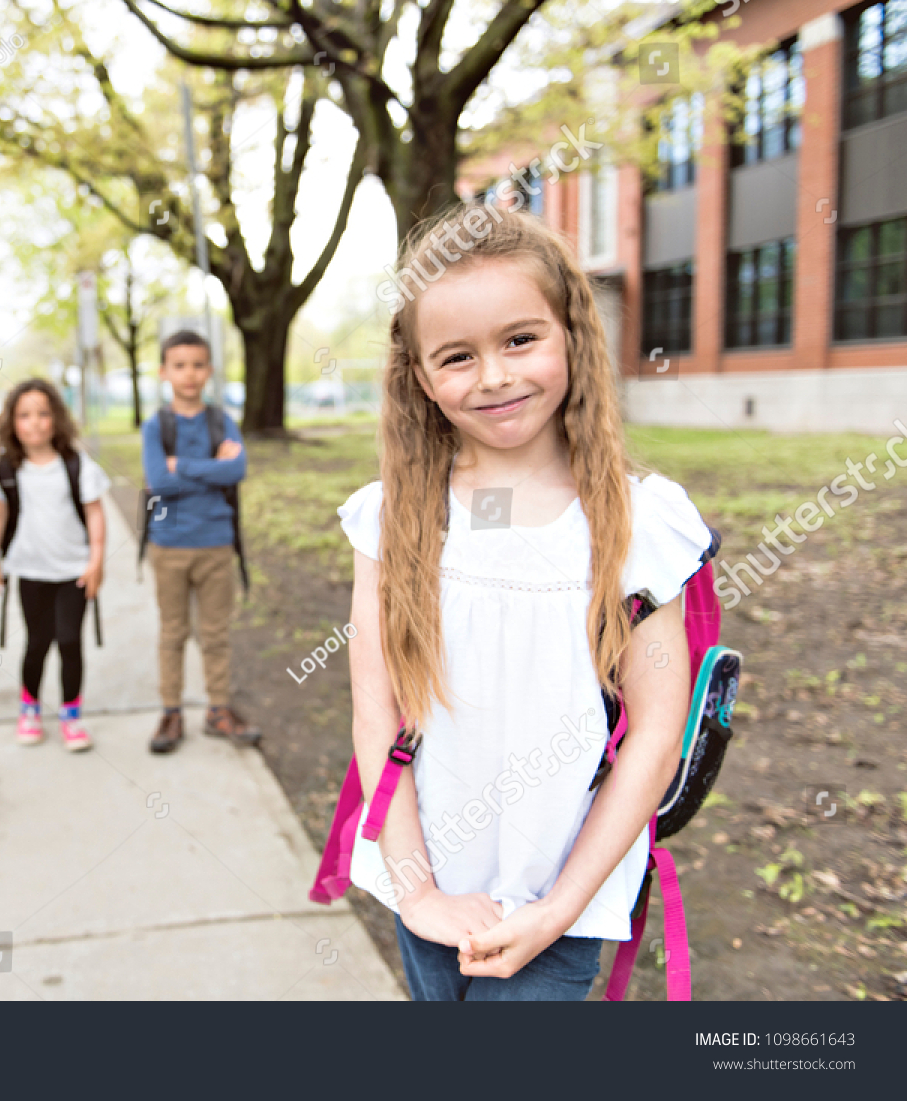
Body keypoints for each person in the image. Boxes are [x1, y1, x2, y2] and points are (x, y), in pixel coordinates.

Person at [340, 206, 709, 1000]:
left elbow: (655, 733)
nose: (495, 376)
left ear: (572, 333)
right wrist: (420, 892)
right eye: (457, 356)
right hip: (429, 891)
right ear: (419, 377)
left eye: (519, 339)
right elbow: (377, 717)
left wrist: (560, 908)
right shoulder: (389, 519)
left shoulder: (641, 523)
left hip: (564, 903)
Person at [141, 331, 259, 754]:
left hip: (216, 543)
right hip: (169, 545)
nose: (188, 374)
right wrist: (211, 467)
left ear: (208, 370)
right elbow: (159, 482)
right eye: (179, 365)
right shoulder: (157, 425)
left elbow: (237, 472)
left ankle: (218, 709)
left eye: (197, 365)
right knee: (173, 632)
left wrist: (183, 466)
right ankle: (171, 712)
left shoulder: (221, 421)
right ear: (164, 372)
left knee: (216, 633)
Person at [0, 379, 109, 750]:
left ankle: (71, 714)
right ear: (12, 422)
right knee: (37, 642)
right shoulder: (7, 468)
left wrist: (97, 561)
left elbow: (95, 515)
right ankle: (30, 709)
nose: (35, 422)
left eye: (43, 413)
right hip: (31, 572)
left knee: (70, 642)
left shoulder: (76, 464)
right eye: (24, 415)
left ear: (56, 418)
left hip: (73, 571)